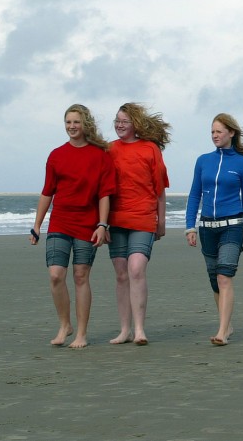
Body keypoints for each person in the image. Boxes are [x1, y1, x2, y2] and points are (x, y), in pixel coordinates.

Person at [28, 104, 115, 349]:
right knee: (56, 275)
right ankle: (65, 325)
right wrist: (37, 225)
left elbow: (104, 194)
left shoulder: (100, 155)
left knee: (80, 276)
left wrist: (102, 224)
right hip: (60, 222)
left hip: (88, 224)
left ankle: (82, 334)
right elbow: (47, 193)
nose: (72, 127)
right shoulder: (56, 155)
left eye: (76, 122)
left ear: (85, 123)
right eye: (68, 122)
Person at [185, 113, 243, 346]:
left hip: (232, 226)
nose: (215, 135)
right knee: (215, 280)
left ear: (231, 133)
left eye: (219, 131)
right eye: (212, 132)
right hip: (207, 227)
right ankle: (227, 324)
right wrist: (190, 227)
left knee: (224, 276)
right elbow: (194, 194)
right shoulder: (203, 160)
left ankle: (222, 331)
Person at [106, 102, 171, 345]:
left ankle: (140, 330)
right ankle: (124, 330)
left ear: (135, 124)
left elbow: (159, 188)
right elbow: (101, 191)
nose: (119, 125)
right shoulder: (109, 150)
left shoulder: (150, 148)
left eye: (124, 121)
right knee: (121, 274)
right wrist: (102, 224)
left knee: (136, 269)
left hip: (143, 218)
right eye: (117, 120)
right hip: (115, 220)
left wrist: (161, 221)